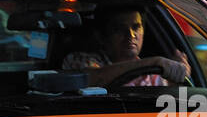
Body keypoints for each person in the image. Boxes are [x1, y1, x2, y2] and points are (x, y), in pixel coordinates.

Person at [60, 6, 189, 87]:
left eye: (136, 27)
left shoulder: (155, 74)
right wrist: (154, 62)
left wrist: (177, 76)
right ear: (101, 36)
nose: (130, 35)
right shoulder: (81, 60)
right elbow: (92, 78)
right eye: (119, 29)